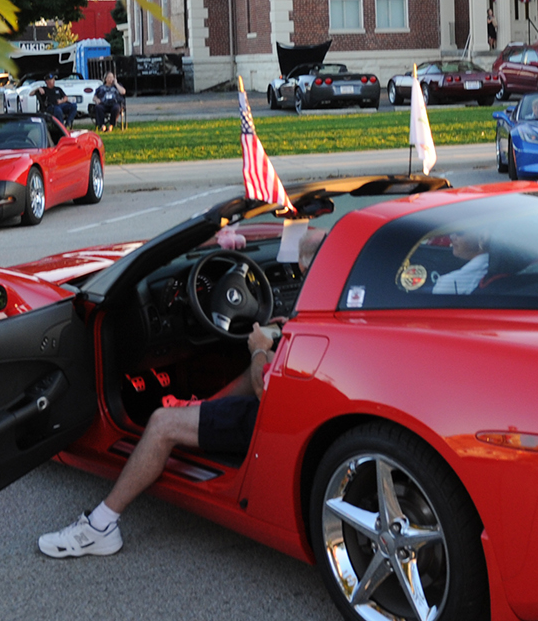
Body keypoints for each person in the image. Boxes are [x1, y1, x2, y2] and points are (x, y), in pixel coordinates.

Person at [37, 223, 327, 559]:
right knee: (255, 370)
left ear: (304, 268)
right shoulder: (334, 303)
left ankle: (99, 527)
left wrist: (260, 348)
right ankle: (201, 410)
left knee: (162, 422)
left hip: (275, 418)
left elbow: (265, 390)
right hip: (301, 410)